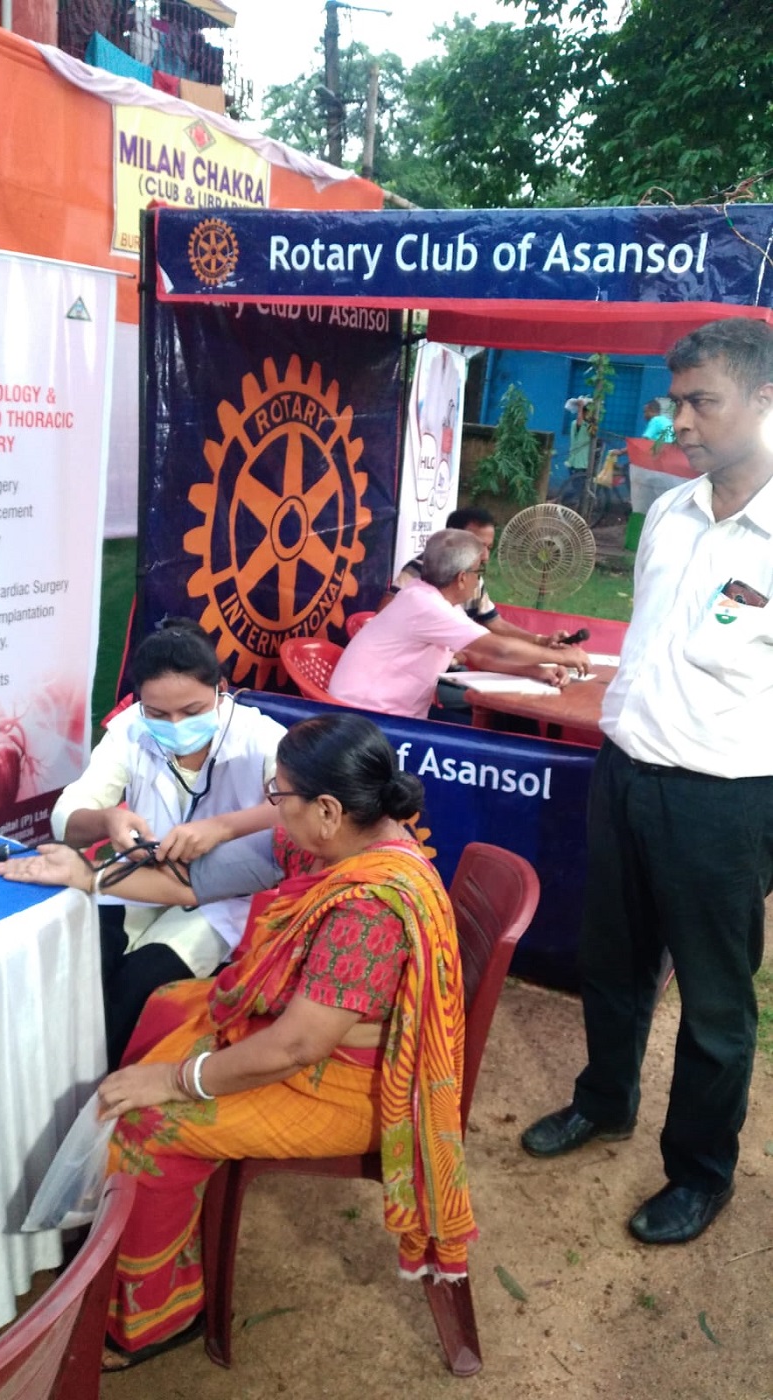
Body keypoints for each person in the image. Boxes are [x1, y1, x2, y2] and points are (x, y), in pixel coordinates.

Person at [0, 714, 476, 1369]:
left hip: (345, 1086)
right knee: (164, 1007)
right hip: (302, 1044)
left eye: (280, 795)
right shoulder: (333, 844)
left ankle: (157, 1317)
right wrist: (85, 874)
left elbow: (296, 1048)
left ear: (327, 809)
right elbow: (190, 884)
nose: (272, 807)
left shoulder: (367, 912)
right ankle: (132, 1221)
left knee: (146, 1124)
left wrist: (174, 1081)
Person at [521, 317, 773, 1246]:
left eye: (701, 402)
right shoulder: (669, 510)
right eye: (675, 402)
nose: (679, 422)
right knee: (612, 964)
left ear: (764, 400)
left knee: (712, 999)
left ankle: (699, 1173)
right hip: (625, 773)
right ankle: (604, 1101)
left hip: (723, 799)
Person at [51, 624, 285, 1068]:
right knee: (82, 969)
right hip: (136, 881)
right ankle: (59, 1080)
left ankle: (100, 1088)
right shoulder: (129, 730)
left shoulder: (261, 738)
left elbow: (302, 808)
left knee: (137, 986)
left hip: (219, 899)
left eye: (192, 710)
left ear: (221, 689)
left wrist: (223, 828)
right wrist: (109, 820)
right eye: (157, 713)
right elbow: (67, 819)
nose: (175, 725)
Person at [328, 529, 590, 720]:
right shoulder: (426, 605)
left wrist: (537, 671)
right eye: (479, 572)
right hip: (368, 719)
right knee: (490, 735)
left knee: (497, 726)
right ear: (462, 578)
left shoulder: (432, 600)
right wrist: (564, 656)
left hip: (383, 713)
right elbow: (499, 649)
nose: (480, 580)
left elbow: (478, 655)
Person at [381, 506, 568, 648]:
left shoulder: (473, 578)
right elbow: (384, 616)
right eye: (478, 546)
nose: (485, 557)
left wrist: (541, 641)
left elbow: (494, 624)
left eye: (489, 548)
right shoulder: (419, 576)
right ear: (452, 538)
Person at [565, 396, 594, 474]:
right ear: (584, 413)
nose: (591, 415)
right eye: (589, 412)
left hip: (585, 463)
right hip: (577, 463)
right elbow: (579, 421)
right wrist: (580, 407)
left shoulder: (589, 426)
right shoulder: (576, 423)